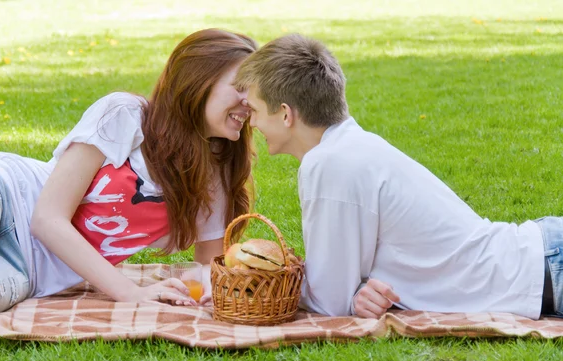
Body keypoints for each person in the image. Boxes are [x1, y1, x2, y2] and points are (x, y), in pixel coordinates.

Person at [233, 33, 557, 321]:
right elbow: (341, 286)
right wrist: (358, 290)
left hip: (545, 270)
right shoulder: (350, 146)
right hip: (542, 257)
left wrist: (258, 279)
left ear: (286, 114)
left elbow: (327, 301)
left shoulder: (330, 163)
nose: (254, 124)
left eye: (257, 111)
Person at [0, 28, 257, 317]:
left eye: (255, 92)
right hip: (0, 192)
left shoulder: (217, 172)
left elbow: (206, 266)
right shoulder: (125, 115)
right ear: (198, 80)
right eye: (240, 86)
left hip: (28, 269)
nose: (250, 102)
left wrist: (207, 288)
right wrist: (130, 292)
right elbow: (47, 219)